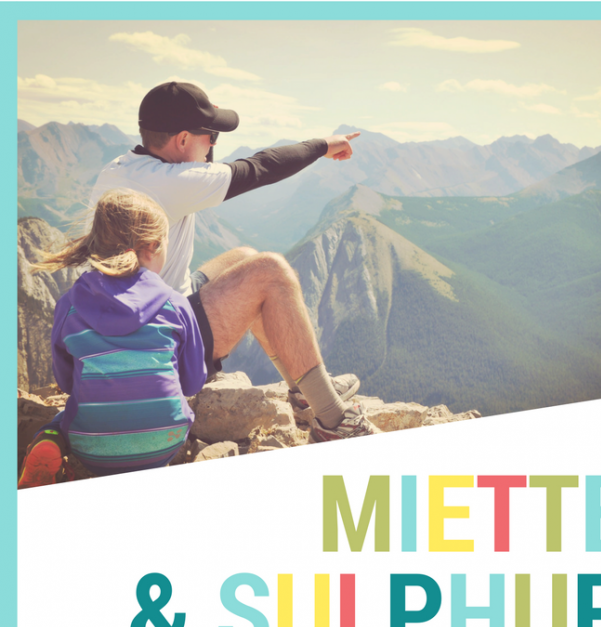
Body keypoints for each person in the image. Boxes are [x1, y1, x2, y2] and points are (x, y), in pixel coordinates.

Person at [89, 81, 380, 442]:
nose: (214, 145)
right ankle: (335, 421)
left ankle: (308, 393)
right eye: (210, 136)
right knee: (271, 272)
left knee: (244, 258)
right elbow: (259, 168)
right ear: (181, 140)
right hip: (159, 345)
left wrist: (205, 152)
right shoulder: (171, 181)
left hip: (133, 323)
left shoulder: (122, 168)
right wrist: (323, 145)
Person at [18, 189, 207, 487]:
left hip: (92, 451)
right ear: (152, 246)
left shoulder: (69, 305)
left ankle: (49, 442)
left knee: (65, 416)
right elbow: (193, 382)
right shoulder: (176, 304)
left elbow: (67, 383)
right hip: (165, 442)